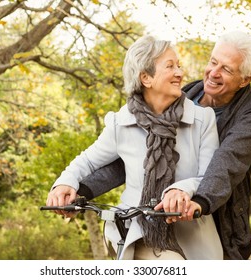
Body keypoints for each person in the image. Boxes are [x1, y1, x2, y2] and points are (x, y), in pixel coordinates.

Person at [76, 30, 251, 260]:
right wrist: (81, 189)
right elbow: (139, 157)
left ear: (245, 80)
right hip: (172, 221)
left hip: (221, 218)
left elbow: (229, 160)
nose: (213, 73)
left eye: (226, 69)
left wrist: (198, 201)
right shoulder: (181, 96)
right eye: (213, 62)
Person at [46, 35, 223, 260]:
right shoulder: (122, 122)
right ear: (146, 78)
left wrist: (181, 190)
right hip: (137, 230)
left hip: (192, 232)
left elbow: (209, 176)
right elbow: (88, 161)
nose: (180, 73)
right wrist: (63, 183)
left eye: (178, 65)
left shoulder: (202, 119)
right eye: (170, 66)